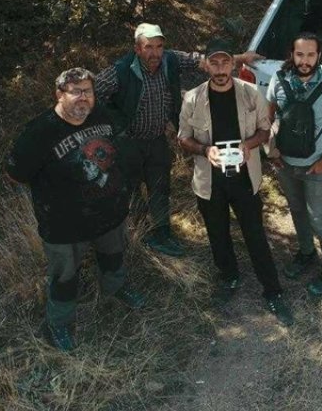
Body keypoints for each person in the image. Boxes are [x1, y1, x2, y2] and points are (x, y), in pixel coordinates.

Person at [6, 68, 147, 352]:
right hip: (63, 223)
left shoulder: (101, 115)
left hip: (107, 212)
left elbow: (115, 149)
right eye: (76, 92)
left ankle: (116, 289)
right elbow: (15, 174)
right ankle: (58, 324)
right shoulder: (40, 131)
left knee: (113, 255)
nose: (83, 98)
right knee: (64, 276)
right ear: (59, 94)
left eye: (88, 91)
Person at [95, 23, 258, 257]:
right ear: (137, 48)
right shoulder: (120, 70)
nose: (155, 53)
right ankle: (142, 231)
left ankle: (162, 234)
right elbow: (92, 92)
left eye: (159, 46)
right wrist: (109, 124)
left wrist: (241, 58)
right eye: (148, 47)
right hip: (128, 142)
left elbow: (201, 60)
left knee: (160, 187)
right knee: (131, 189)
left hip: (157, 139)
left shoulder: (169, 60)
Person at [178, 40, 295, 326]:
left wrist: (248, 145)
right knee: (218, 234)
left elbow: (265, 131)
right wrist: (206, 150)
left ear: (234, 63)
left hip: (244, 179)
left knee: (255, 235)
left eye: (225, 62)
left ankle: (273, 291)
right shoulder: (192, 98)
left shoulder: (251, 93)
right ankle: (229, 277)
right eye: (214, 63)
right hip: (209, 181)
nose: (220, 69)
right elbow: (183, 139)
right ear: (206, 65)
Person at [266, 33, 322, 295]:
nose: (305, 61)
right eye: (299, 54)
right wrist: (272, 151)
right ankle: (306, 252)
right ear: (292, 54)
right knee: (297, 211)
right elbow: (267, 119)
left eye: (310, 55)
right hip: (285, 165)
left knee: (319, 218)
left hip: (316, 167)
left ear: (319, 56)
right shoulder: (278, 81)